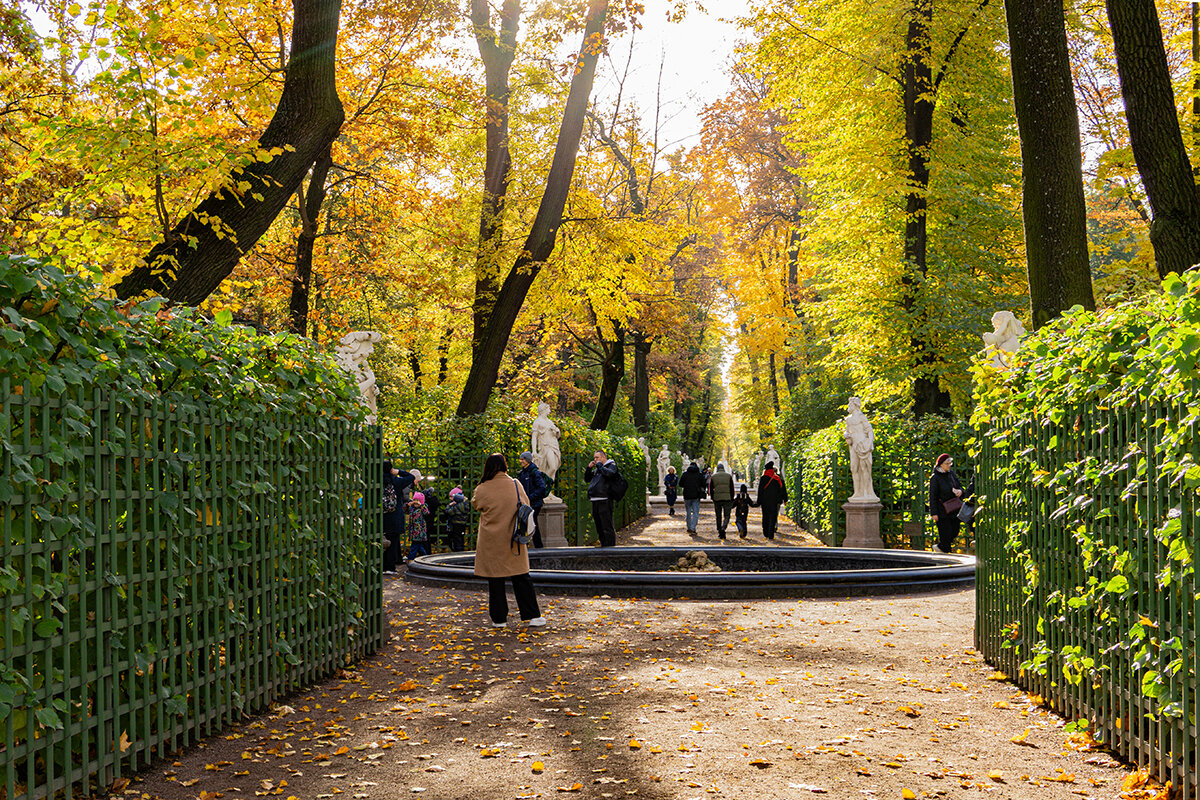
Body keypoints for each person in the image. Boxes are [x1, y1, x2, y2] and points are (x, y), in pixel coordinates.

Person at [472, 453, 546, 628]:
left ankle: (499, 619)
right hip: (513, 540)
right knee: (521, 577)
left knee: (495, 580)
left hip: (491, 540)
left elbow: (476, 504)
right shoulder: (515, 484)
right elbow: (526, 503)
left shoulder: (482, 488)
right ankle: (532, 615)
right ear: (504, 466)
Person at [382, 460, 415, 573]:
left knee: (381, 542)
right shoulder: (396, 481)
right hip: (395, 516)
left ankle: (382, 566)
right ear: (391, 469)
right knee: (393, 542)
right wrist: (398, 471)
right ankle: (390, 567)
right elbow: (411, 477)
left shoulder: (377, 481)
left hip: (382, 517)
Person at [928, 453, 965, 554]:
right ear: (941, 465)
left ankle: (940, 547)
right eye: (947, 463)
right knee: (946, 534)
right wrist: (934, 513)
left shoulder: (951, 474)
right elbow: (932, 496)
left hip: (954, 509)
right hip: (942, 512)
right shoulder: (935, 478)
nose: (949, 465)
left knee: (955, 531)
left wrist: (960, 491)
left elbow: (960, 486)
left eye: (950, 463)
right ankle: (946, 559)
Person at [584, 450, 620, 547]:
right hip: (595, 500)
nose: (595, 460)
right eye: (594, 458)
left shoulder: (611, 465)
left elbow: (610, 474)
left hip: (605, 500)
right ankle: (604, 545)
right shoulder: (598, 469)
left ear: (603, 457)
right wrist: (588, 468)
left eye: (597, 457)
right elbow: (587, 479)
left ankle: (610, 547)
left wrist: (600, 466)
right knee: (599, 526)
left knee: (607, 525)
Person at [516, 451, 550, 548]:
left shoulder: (534, 472)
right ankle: (530, 545)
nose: (521, 461)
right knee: (528, 523)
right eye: (521, 459)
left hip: (534, 503)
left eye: (523, 459)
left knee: (532, 523)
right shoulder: (522, 473)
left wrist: (530, 497)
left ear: (528, 460)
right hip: (526, 503)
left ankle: (538, 546)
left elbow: (541, 488)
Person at [756, 461, 788, 540]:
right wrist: (784, 499)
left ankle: (765, 532)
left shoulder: (763, 478)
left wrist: (759, 501)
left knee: (765, 516)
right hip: (774, 501)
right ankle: (771, 533)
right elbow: (782, 490)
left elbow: (760, 490)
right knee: (773, 517)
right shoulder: (777, 478)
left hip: (765, 501)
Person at [678, 462, 707, 535]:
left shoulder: (685, 474)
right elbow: (704, 484)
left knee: (688, 512)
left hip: (687, 495)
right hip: (696, 495)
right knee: (695, 512)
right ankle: (693, 528)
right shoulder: (699, 475)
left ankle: (689, 527)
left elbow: (680, 484)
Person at [708, 463, 735, 539]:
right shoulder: (728, 476)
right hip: (727, 498)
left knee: (718, 515)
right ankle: (724, 527)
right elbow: (731, 488)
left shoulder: (713, 476)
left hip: (717, 499)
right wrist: (732, 497)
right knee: (727, 515)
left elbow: (711, 488)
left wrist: (713, 498)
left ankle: (719, 530)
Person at [407, 491, 431, 560]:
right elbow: (406, 510)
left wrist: (421, 505)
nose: (416, 502)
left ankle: (410, 559)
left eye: (418, 500)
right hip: (413, 530)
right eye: (414, 500)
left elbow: (426, 512)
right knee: (419, 547)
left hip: (419, 531)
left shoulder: (422, 508)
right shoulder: (412, 509)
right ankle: (425, 558)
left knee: (414, 546)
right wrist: (408, 505)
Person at [446, 486, 470, 552]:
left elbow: (448, 512)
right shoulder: (466, 506)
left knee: (456, 539)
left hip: (455, 525)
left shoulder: (456, 507)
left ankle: (457, 551)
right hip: (462, 524)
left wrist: (449, 506)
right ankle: (461, 551)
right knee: (461, 538)